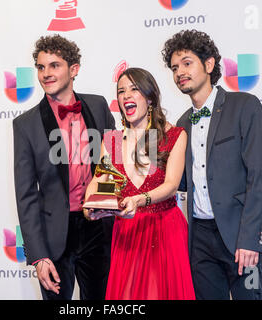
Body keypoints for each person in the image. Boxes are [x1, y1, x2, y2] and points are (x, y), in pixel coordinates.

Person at [162, 29, 262, 300]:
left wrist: (250, 239)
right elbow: (178, 182)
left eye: (187, 63)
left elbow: (258, 178)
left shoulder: (244, 106)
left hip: (243, 232)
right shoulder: (181, 124)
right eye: (175, 67)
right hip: (200, 239)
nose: (180, 72)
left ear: (210, 64)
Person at [13, 34, 115, 300]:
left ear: (74, 69)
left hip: (98, 229)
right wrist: (38, 256)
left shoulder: (98, 105)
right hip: (54, 236)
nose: (46, 73)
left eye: (54, 65)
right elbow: (26, 196)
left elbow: (114, 163)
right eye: (40, 66)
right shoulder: (25, 125)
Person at [84, 67, 195, 300]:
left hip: (165, 230)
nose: (126, 95)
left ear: (150, 97)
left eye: (134, 89)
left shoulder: (173, 135)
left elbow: (172, 185)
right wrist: (91, 205)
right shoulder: (112, 140)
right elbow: (100, 180)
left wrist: (139, 199)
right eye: (121, 91)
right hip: (128, 233)